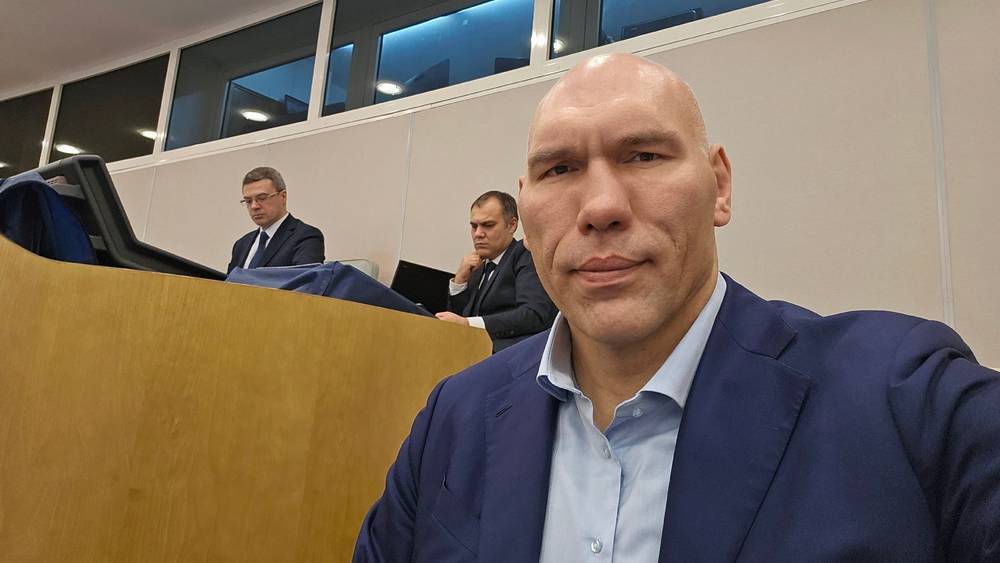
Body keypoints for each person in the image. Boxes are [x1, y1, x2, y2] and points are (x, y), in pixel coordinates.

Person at [354, 54, 1000, 562]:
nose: (600, 206)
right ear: (528, 208)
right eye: (560, 169)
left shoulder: (907, 398)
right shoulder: (453, 417)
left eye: (643, 155)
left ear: (719, 185)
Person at [435, 190, 557, 352]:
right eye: (474, 226)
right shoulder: (478, 265)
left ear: (511, 225)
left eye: (488, 225)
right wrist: (459, 282)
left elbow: (533, 314)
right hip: (467, 352)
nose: (478, 234)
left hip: (506, 356)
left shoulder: (525, 254)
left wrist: (469, 324)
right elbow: (455, 323)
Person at [227, 166, 324, 274]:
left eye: (262, 198)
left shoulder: (306, 236)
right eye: (248, 201)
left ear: (283, 197)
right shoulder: (241, 244)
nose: (254, 206)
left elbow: (304, 281)